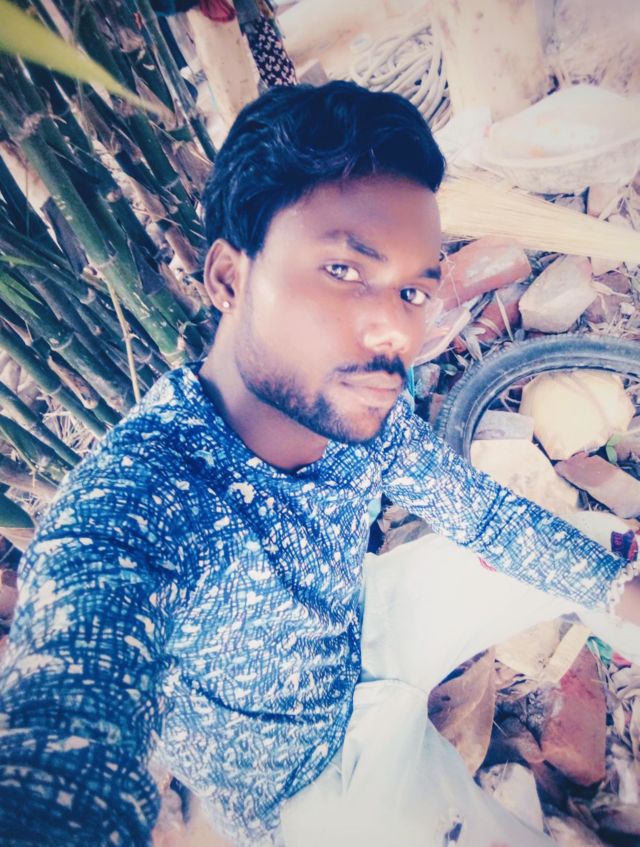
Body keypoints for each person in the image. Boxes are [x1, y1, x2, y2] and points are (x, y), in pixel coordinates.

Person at [0, 81, 638, 847]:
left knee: (603, 553)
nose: (394, 328)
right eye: (343, 270)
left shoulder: (354, 405)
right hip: (312, 783)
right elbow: (68, 740)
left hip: (365, 625)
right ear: (229, 278)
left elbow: (485, 515)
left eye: (413, 290)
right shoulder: (134, 510)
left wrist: (618, 591)